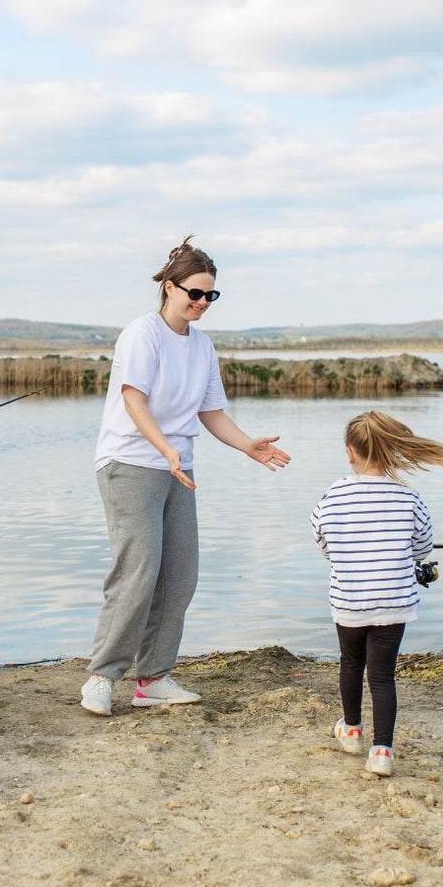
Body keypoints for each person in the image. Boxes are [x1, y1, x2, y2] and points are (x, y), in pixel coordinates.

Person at [81, 237, 291, 716]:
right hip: (131, 463)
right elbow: (134, 400)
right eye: (194, 293)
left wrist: (248, 446)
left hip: (177, 468)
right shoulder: (143, 334)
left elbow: (211, 412)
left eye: (210, 296)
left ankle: (152, 678)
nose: (201, 303)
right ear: (169, 288)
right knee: (138, 571)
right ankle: (101, 676)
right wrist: (166, 449)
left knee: (180, 575)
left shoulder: (202, 345)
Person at [310, 410, 443, 776]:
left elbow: (321, 538)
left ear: (350, 452)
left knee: (350, 663)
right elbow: (423, 547)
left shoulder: (333, 495)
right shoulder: (409, 497)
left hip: (349, 601)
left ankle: (351, 730)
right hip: (394, 603)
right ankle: (382, 753)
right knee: (382, 676)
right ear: (391, 448)